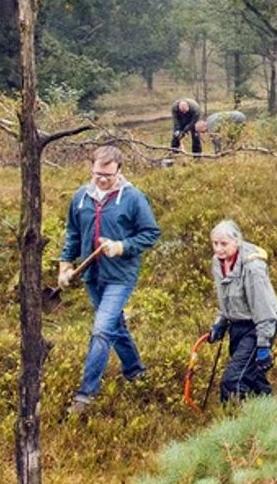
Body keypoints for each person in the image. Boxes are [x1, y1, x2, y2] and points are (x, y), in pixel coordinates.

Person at [59, 145, 161, 418]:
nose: (102, 179)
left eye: (107, 174)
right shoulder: (81, 197)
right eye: (97, 174)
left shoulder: (133, 198)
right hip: (91, 275)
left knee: (102, 330)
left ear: (119, 170)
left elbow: (151, 233)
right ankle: (136, 372)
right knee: (115, 326)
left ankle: (85, 396)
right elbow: (72, 233)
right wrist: (65, 266)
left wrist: (121, 246)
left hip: (120, 276)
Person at [206, 220, 277, 402]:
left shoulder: (253, 268)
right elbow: (226, 298)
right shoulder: (218, 262)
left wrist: (263, 345)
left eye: (224, 244)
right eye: (215, 243)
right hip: (237, 326)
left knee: (233, 380)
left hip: (258, 326)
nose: (218, 249)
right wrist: (220, 323)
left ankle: (236, 424)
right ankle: (274, 413)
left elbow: (264, 309)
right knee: (252, 375)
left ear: (237, 242)